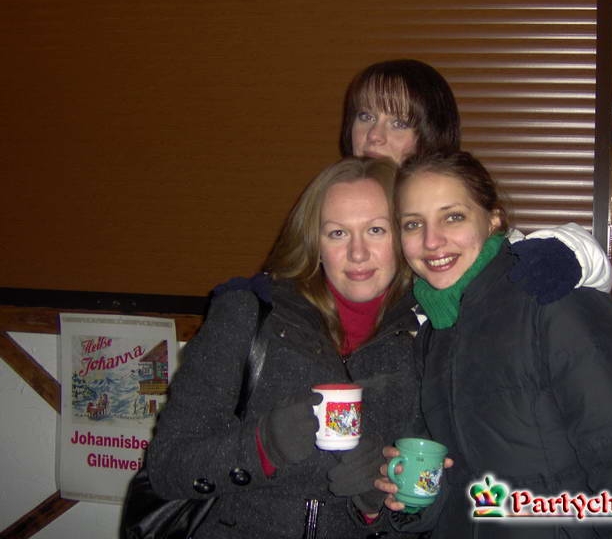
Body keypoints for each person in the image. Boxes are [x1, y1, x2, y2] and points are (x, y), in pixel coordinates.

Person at [380, 150, 612, 538]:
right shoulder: (434, 332)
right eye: (413, 224)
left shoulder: (553, 300)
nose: (431, 241)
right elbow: (457, 480)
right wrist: (413, 500)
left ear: (493, 219)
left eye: (453, 217)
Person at [146, 158, 423, 538]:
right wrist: (262, 447)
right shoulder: (249, 315)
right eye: (337, 233)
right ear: (315, 244)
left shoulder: (426, 338)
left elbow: (433, 502)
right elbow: (167, 467)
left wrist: (376, 503)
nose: (358, 253)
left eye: (376, 229)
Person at [339, 58, 612, 294]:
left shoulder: (460, 207)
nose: (374, 135)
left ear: (431, 135)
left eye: (398, 123)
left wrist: (563, 252)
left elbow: (580, 257)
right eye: (365, 116)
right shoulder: (331, 210)